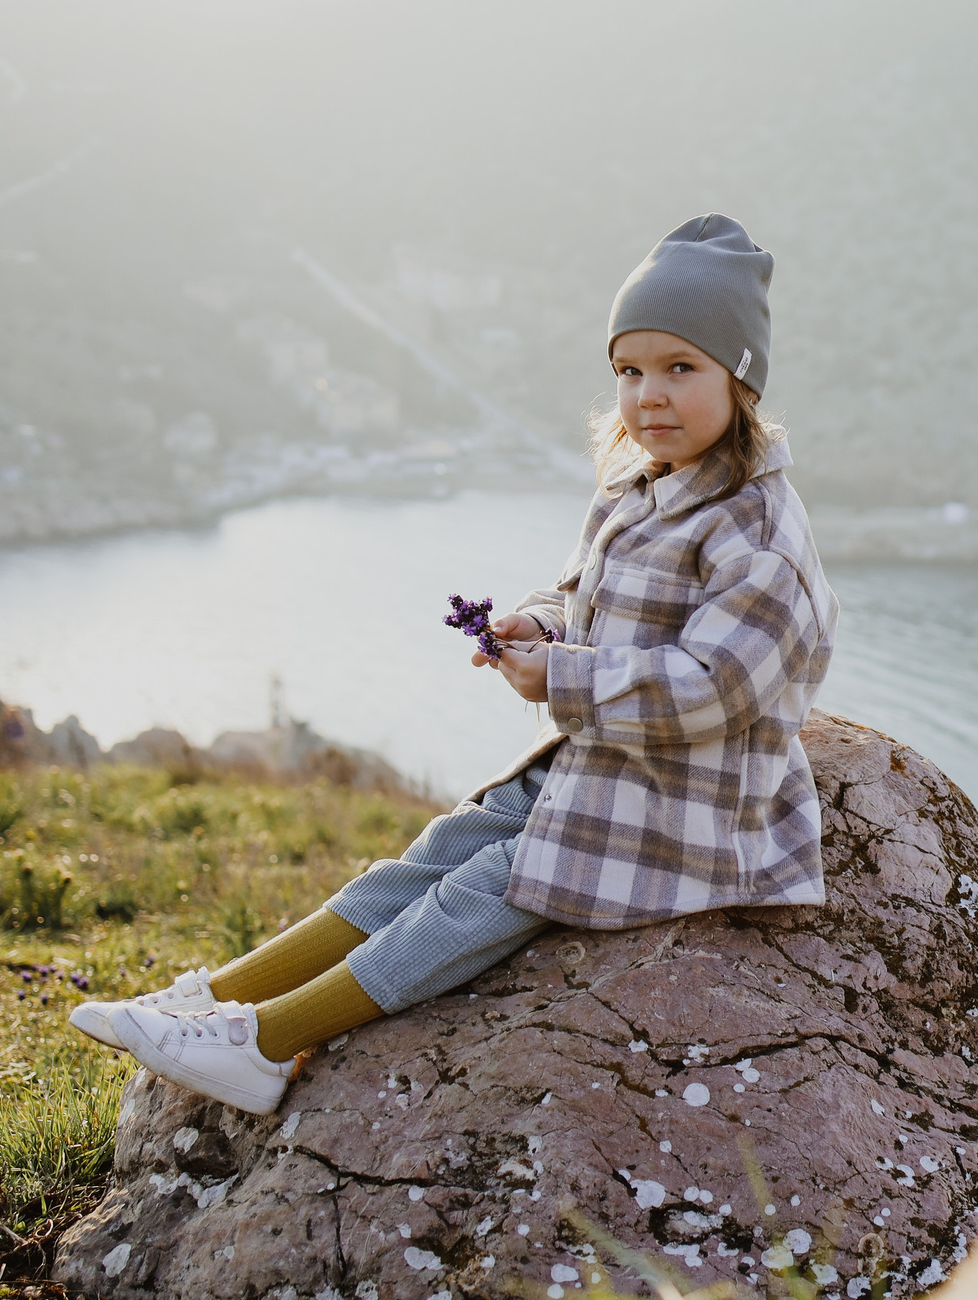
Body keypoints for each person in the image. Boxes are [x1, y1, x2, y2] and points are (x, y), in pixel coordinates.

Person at [71, 215, 837, 1116]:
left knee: (484, 889)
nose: (649, 396)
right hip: (614, 766)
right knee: (427, 856)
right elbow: (583, 594)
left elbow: (715, 688)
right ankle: (218, 999)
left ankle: (267, 1045)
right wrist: (541, 626)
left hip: (696, 805)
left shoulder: (759, 534)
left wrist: (564, 679)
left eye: (681, 367)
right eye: (629, 371)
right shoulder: (642, 484)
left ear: (739, 376)